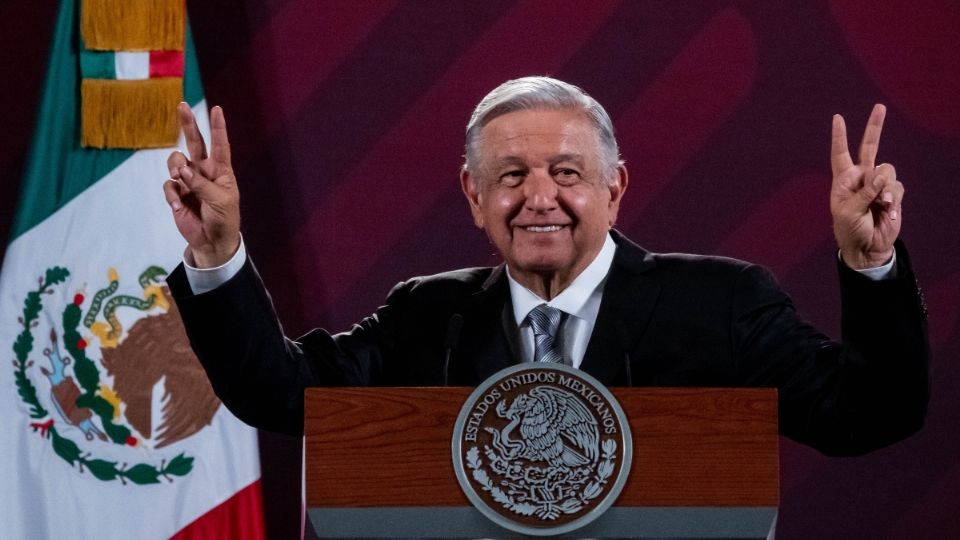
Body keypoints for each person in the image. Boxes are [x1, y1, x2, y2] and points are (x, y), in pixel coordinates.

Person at [162, 77, 928, 456]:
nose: (539, 198)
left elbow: (871, 414)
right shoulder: (428, 316)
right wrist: (218, 253)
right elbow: (281, 394)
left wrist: (871, 264)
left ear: (614, 189)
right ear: (473, 196)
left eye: (566, 173)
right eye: (510, 176)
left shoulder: (721, 303)